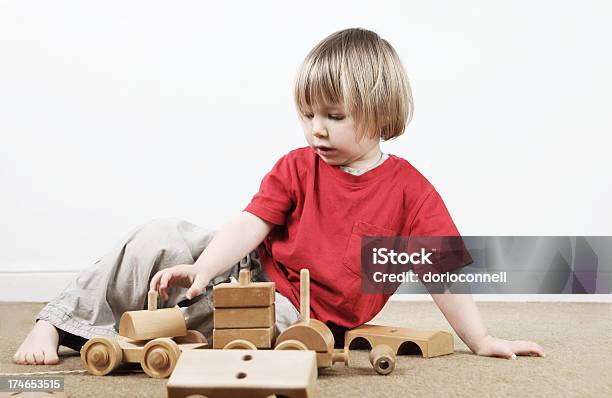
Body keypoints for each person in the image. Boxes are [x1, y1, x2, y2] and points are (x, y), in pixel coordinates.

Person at [14, 27, 545, 365]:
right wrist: (202, 268)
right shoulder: (297, 166)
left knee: (262, 334)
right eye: (308, 115)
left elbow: (442, 273)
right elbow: (250, 223)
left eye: (334, 118)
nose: (316, 129)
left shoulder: (411, 190)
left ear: (383, 114)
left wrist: (479, 339)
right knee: (162, 236)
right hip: (250, 264)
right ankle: (58, 319)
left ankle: (116, 332)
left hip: (301, 313)